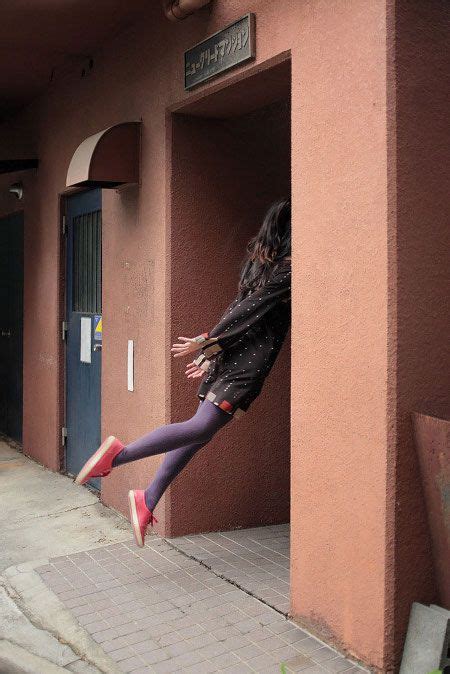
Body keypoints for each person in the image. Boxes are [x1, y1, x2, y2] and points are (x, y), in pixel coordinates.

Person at [75, 198, 292, 547]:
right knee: (201, 427)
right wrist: (210, 342)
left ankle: (146, 499)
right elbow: (250, 308)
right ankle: (118, 455)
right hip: (245, 365)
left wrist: (213, 349)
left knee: (198, 434)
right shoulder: (286, 269)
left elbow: (243, 308)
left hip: (231, 356)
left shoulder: (261, 265)